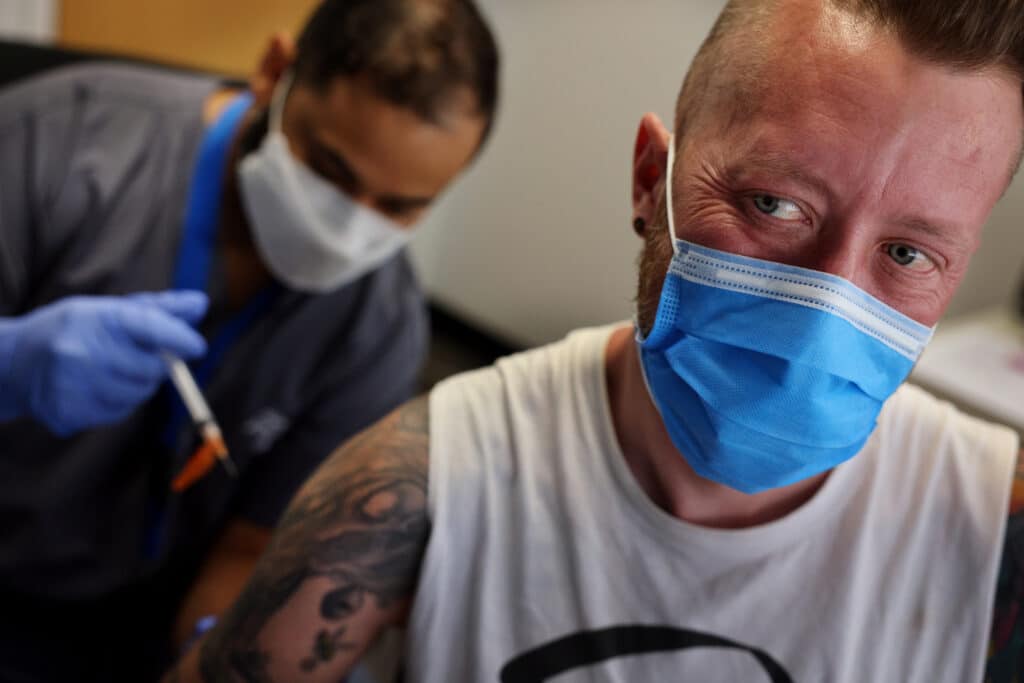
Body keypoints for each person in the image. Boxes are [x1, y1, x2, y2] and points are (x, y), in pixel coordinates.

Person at [169, 0, 1024, 681]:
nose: (825, 304)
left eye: (908, 253)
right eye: (772, 203)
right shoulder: (428, 485)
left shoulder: (994, 539)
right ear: (652, 179)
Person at [0, 0, 498, 680]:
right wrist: (11, 367)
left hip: (136, 628)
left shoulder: (378, 324)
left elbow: (254, 545)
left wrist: (226, 643)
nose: (349, 230)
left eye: (401, 206)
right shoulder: (56, 142)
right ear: (273, 72)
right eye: (331, 170)